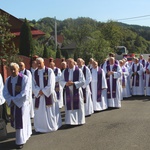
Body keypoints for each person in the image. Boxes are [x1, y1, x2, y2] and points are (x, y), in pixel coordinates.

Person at [3, 62, 32, 149]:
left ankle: (20, 141)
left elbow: (25, 92)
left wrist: (15, 100)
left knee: (21, 122)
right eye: (11, 69)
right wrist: (11, 100)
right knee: (17, 122)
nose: (12, 71)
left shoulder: (24, 78)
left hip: (21, 105)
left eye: (14, 69)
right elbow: (5, 92)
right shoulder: (8, 79)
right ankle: (24, 136)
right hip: (13, 104)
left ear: (18, 69)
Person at [32, 57, 62, 133]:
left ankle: (52, 126)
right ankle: (40, 127)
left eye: (40, 63)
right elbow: (33, 85)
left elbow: (51, 84)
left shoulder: (49, 71)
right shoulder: (35, 73)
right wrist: (38, 91)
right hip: (39, 96)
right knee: (40, 112)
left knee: (50, 111)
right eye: (37, 63)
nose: (38, 65)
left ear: (43, 63)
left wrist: (43, 91)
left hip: (49, 95)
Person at [60, 58, 85, 125]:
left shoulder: (79, 71)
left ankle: (79, 121)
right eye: (68, 63)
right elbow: (61, 80)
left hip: (76, 91)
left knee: (78, 105)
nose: (69, 64)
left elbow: (82, 81)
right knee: (69, 106)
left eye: (70, 62)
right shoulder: (64, 71)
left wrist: (74, 83)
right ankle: (69, 121)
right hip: (68, 91)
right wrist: (66, 83)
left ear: (74, 63)